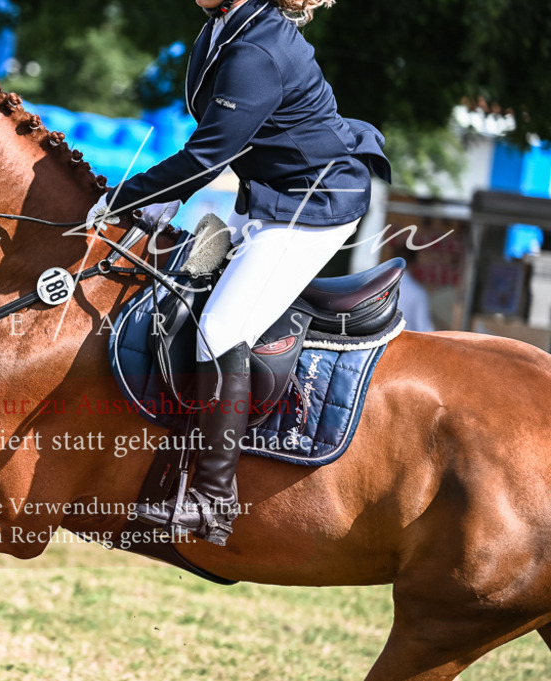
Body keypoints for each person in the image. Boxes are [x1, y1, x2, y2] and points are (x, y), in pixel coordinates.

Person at [86, 0, 391, 546]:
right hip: (266, 194)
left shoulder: (255, 48)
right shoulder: (224, 26)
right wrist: (162, 199)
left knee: (221, 329)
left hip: (312, 204)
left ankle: (212, 500)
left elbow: (207, 156)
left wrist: (124, 197)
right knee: (183, 295)